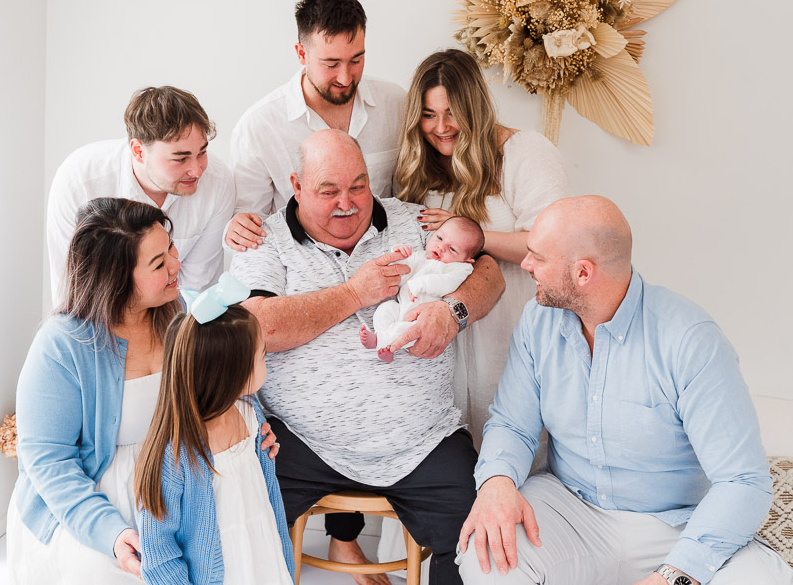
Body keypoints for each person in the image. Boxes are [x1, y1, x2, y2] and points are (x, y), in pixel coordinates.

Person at [457, 196, 793, 585]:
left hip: (678, 525)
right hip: (571, 512)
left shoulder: (690, 340)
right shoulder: (537, 322)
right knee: (484, 554)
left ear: (582, 273)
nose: (525, 264)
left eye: (538, 257)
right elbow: (512, 424)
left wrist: (673, 576)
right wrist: (497, 481)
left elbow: (743, 481)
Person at [230, 128, 504, 585]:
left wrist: (452, 312)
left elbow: (490, 271)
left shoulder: (416, 222)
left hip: (423, 442)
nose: (348, 203)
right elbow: (256, 326)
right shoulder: (265, 239)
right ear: (296, 186)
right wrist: (355, 293)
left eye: (358, 186)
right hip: (299, 442)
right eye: (329, 191)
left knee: (482, 543)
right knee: (236, 531)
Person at [8, 198, 276, 583]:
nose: (176, 264)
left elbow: (224, 384)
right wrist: (112, 533)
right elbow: (49, 462)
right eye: (158, 263)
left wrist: (253, 430)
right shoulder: (61, 345)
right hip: (90, 500)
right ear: (116, 279)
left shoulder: (181, 312)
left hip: (178, 482)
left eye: (171, 248)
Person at [394, 48, 569, 445]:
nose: (441, 127)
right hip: (443, 348)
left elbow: (556, 247)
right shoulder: (419, 168)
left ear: (474, 108)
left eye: (452, 113)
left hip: (509, 330)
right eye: (428, 114)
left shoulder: (524, 152)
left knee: (516, 448)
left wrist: (476, 235)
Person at [225, 0, 406, 252]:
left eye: (356, 60)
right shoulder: (258, 128)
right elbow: (249, 230)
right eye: (331, 64)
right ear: (302, 54)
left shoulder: (396, 103)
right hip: (302, 267)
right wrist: (236, 229)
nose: (345, 78)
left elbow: (409, 200)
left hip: (390, 257)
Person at [135, 290, 295, 585]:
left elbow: (262, 490)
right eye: (262, 355)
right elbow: (159, 553)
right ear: (232, 374)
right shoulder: (175, 455)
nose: (268, 361)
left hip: (262, 554)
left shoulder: (251, 414)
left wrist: (266, 452)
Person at [47, 86, 235, 304]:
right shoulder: (79, 181)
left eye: (202, 152)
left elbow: (197, 295)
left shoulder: (217, 183)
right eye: (180, 159)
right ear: (138, 151)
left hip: (176, 318)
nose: (197, 171)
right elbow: (73, 293)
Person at [359, 216, 484, 362]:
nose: (441, 247)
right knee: (385, 309)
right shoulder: (420, 256)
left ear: (467, 260)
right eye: (439, 238)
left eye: (452, 249)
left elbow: (446, 284)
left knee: (414, 329)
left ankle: (380, 341)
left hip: (423, 318)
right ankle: (385, 346)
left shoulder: (461, 268)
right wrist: (400, 255)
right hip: (401, 308)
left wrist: (420, 284)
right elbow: (401, 275)